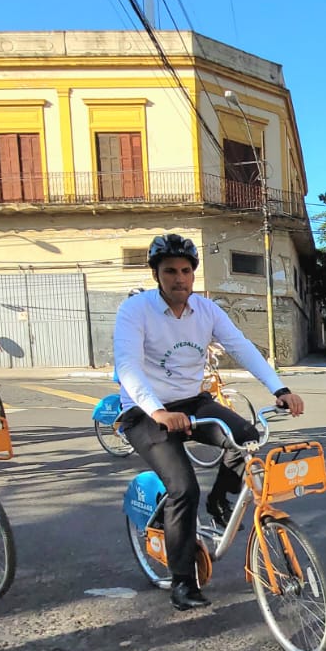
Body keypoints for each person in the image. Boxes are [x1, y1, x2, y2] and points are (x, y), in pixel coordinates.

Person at [114, 233, 304, 611]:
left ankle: (221, 499)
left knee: (247, 438)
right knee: (183, 489)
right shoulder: (135, 311)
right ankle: (183, 582)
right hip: (144, 411)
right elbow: (128, 367)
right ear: (156, 274)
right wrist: (158, 412)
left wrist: (279, 387)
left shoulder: (206, 310)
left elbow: (240, 347)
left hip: (193, 402)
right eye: (170, 271)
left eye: (186, 271)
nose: (179, 279)